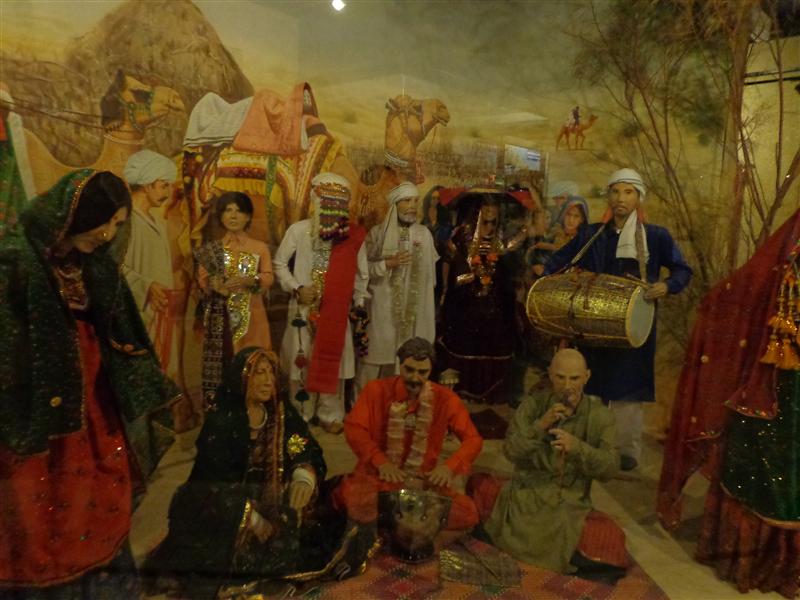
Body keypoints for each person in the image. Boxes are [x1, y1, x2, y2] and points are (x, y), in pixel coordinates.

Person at [0, 170, 178, 594]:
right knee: (36, 508)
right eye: (107, 222)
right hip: (34, 411)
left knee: (99, 497)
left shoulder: (96, 266)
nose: (108, 234)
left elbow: (121, 329)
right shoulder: (16, 262)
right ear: (80, 213)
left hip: (95, 408)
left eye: (118, 225)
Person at [146, 347, 371, 599]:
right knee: (229, 552)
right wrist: (250, 518)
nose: (267, 380)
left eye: (270, 372)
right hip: (229, 507)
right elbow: (213, 484)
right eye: (259, 373)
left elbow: (302, 447)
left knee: (324, 519)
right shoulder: (223, 422)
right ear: (242, 379)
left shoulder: (281, 412)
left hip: (273, 497)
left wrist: (303, 477)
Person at [657, 209, 800, 597]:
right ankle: (757, 557)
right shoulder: (787, 249)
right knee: (770, 470)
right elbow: (745, 290)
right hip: (777, 387)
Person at [545, 168, 692, 470]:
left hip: (634, 328)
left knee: (627, 391)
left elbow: (682, 270)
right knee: (590, 384)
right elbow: (557, 262)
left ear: (639, 197)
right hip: (593, 324)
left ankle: (625, 453)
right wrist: (554, 282)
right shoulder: (591, 235)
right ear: (609, 196)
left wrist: (666, 286)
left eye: (628, 192)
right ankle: (583, 445)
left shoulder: (656, 236)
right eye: (615, 191)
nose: (621, 198)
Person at [469, 349, 628, 581]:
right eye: (560, 377)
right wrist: (541, 425)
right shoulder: (533, 404)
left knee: (608, 536)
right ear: (550, 375)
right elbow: (510, 451)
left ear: (587, 377)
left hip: (568, 502)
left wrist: (577, 448)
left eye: (574, 378)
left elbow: (610, 469)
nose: (567, 386)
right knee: (478, 484)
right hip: (525, 493)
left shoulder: (601, 416)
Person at [334, 337, 483, 534]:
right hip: (379, 476)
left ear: (431, 371)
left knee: (467, 513)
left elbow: (473, 440)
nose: (415, 378)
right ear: (400, 365)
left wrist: (448, 468)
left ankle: (399, 530)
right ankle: (404, 529)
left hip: (423, 482)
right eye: (409, 370)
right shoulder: (376, 390)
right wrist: (380, 461)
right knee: (354, 503)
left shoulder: (445, 398)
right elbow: (354, 428)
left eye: (422, 372)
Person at [273, 172, 369, 433]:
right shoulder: (299, 230)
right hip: (303, 308)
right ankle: (300, 414)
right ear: (315, 200)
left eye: (337, 202)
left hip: (337, 311)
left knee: (333, 360)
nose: (331, 207)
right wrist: (297, 289)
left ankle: (330, 414)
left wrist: (358, 303)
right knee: (301, 360)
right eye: (326, 200)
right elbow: (279, 264)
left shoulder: (352, 237)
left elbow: (362, 275)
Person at [195, 191, 274, 409]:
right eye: (228, 210)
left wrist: (251, 279)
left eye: (239, 211)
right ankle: (228, 409)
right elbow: (202, 280)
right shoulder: (213, 249)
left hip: (253, 316)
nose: (233, 215)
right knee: (227, 361)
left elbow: (268, 277)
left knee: (255, 360)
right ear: (221, 216)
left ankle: (256, 408)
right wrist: (215, 284)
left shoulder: (259, 247)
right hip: (223, 318)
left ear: (248, 217)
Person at [437, 196, 519, 404]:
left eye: (493, 222)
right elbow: (453, 275)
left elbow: (507, 278)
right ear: (475, 219)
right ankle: (463, 390)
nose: (489, 228)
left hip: (493, 305)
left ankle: (491, 392)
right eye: (485, 222)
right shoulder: (461, 240)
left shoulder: (500, 242)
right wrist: (471, 276)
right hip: (465, 303)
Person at [356, 181, 438, 390]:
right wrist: (387, 264)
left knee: (402, 363)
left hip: (412, 313)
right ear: (395, 205)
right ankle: (363, 403)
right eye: (407, 201)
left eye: (415, 201)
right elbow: (363, 271)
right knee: (373, 361)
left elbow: (429, 279)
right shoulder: (377, 233)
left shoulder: (424, 235)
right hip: (381, 309)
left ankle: (394, 403)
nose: (412, 206)